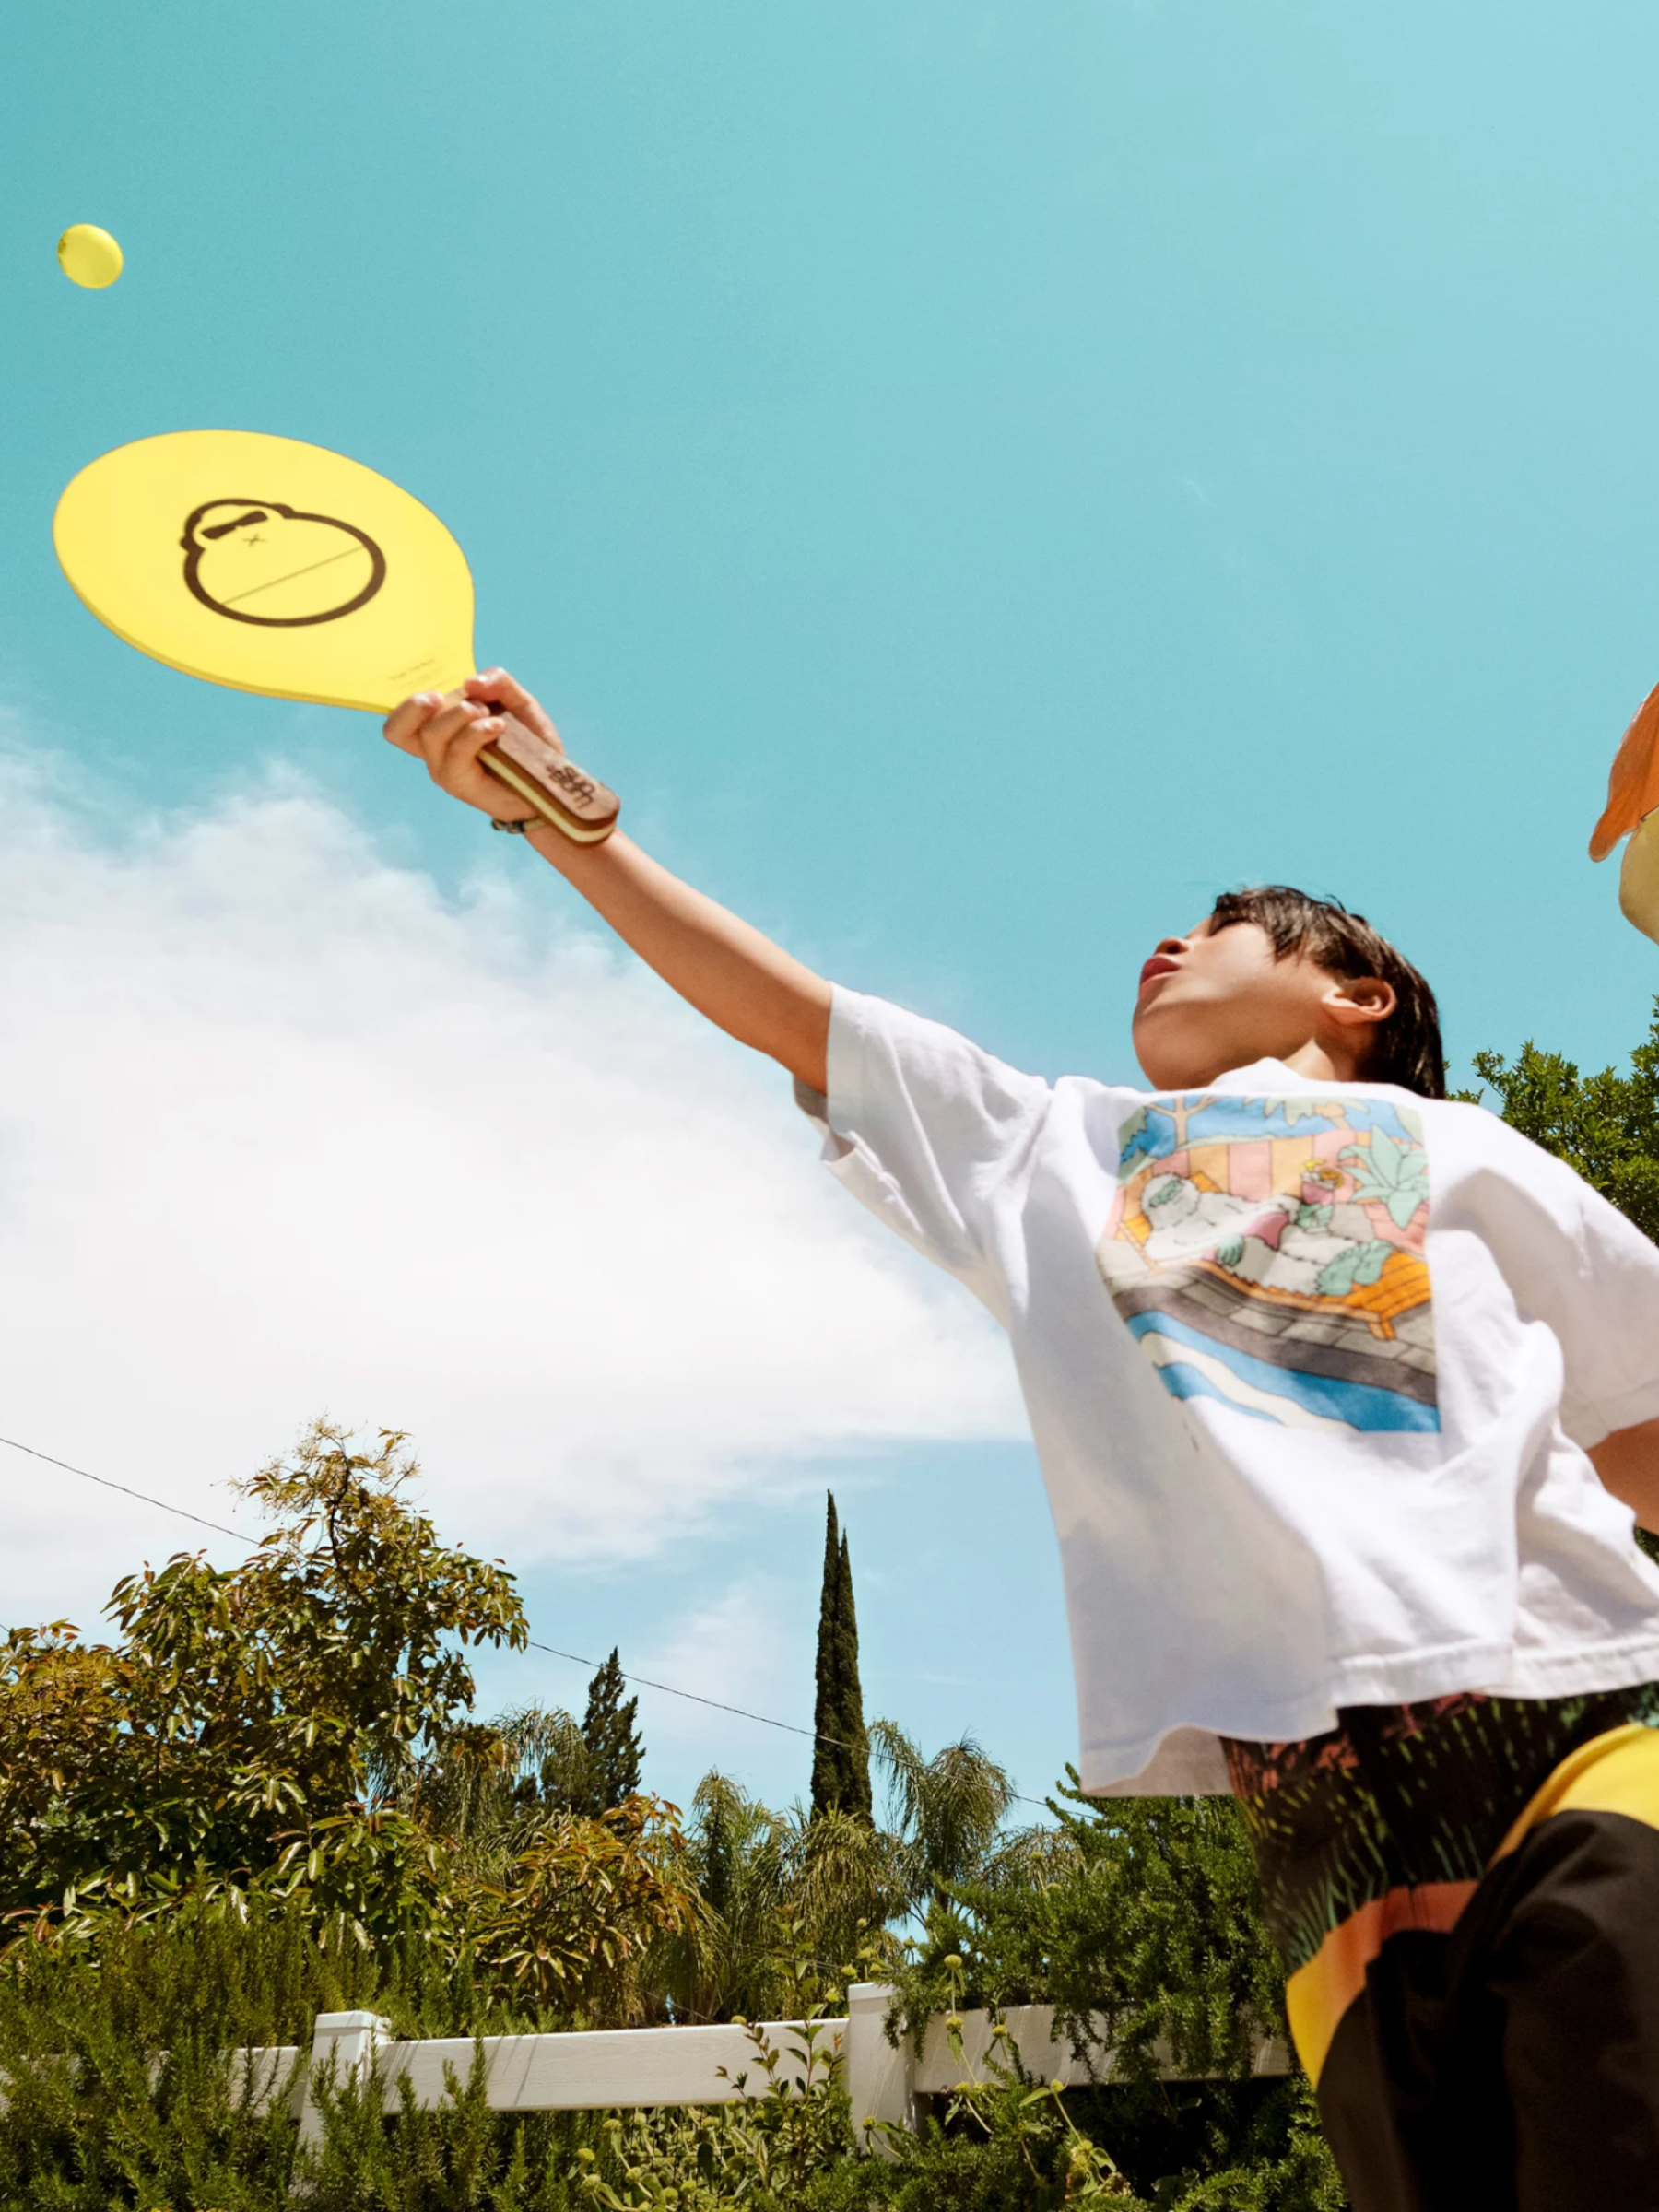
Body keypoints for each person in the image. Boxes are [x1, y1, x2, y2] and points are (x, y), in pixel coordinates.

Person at [387, 673, 1659, 2210]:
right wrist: (552, 813)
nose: (1171, 941)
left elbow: (1642, 1431)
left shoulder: (1462, 1149)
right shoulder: (1051, 1148)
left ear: (1358, 998)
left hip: (1575, 1721)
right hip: (1320, 1840)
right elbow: (788, 1008)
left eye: (1226, 924)